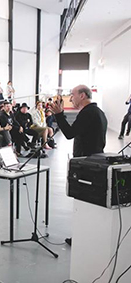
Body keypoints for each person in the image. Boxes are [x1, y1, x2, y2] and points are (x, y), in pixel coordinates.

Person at [49, 86, 108, 246]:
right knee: (87, 204)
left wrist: (59, 115)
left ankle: (82, 238)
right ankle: (85, 236)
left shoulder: (88, 113)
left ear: (82, 95)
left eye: (72, 95)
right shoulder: (97, 112)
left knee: (84, 203)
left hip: (87, 164)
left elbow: (69, 133)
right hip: (94, 160)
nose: (71, 98)